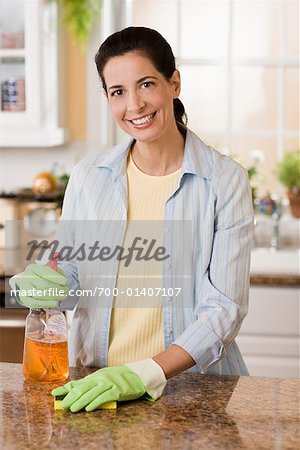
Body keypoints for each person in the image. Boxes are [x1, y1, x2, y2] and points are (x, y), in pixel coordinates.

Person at [10, 27, 254, 413]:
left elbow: (224, 309)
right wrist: (44, 282)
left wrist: (146, 373)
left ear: (174, 83)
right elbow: (72, 273)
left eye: (146, 84)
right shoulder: (90, 175)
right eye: (118, 92)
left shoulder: (224, 181)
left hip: (191, 391)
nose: (135, 105)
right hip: (95, 387)